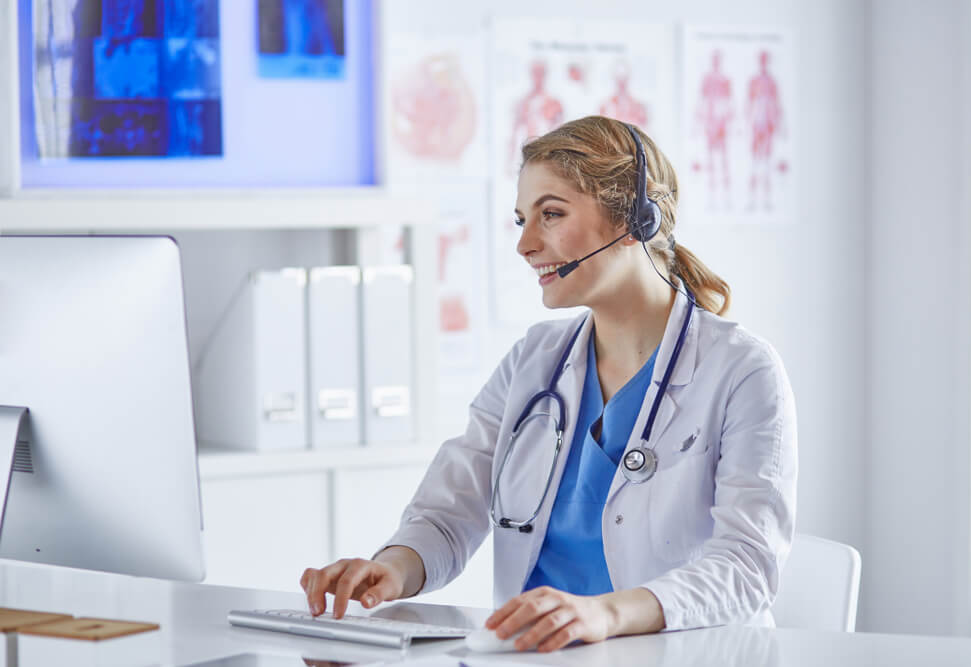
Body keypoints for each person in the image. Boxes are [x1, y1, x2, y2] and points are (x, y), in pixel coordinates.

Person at [300, 116, 798, 653]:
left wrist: (605, 613)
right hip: (536, 655)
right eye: (521, 220)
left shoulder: (742, 370)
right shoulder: (532, 362)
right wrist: (392, 569)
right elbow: (450, 511)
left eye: (551, 214)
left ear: (635, 220)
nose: (526, 244)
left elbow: (748, 565)